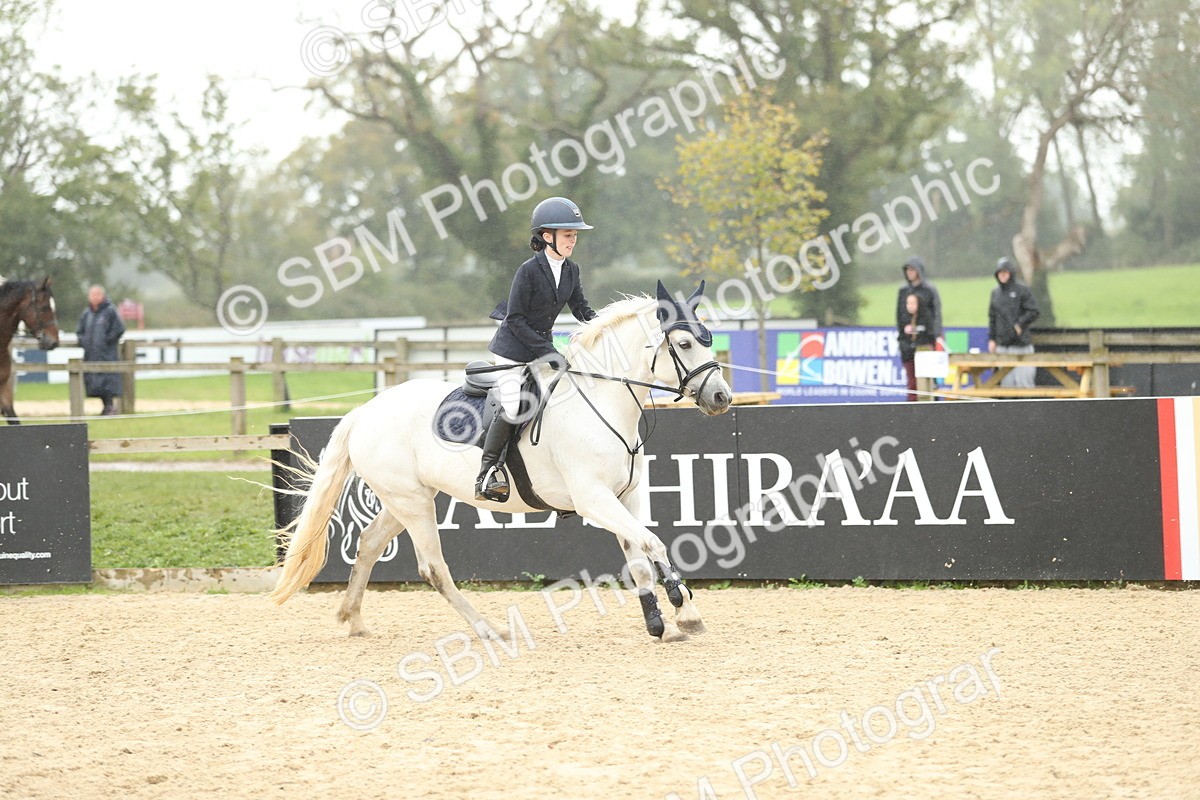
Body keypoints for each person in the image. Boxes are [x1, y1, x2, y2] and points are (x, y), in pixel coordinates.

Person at [476, 196, 598, 502]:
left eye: (574, 235)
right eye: (568, 235)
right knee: (516, 405)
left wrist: (607, 328)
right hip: (512, 350)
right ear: (547, 236)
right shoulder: (528, 271)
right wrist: (549, 351)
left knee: (561, 398)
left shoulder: (571, 270)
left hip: (539, 348)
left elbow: (582, 309)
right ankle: (487, 472)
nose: (573, 240)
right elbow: (515, 320)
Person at [988, 257, 1040, 388]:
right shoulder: (995, 293)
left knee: (1025, 384)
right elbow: (992, 317)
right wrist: (992, 339)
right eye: (1000, 273)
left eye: (1005, 272)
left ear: (1011, 273)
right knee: (1007, 385)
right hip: (1003, 345)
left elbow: (1033, 311)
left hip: (1021, 345)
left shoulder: (1022, 290)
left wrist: (1019, 324)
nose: (1002, 275)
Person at [896, 256, 942, 401]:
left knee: (929, 380)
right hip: (908, 343)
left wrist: (934, 335)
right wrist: (904, 336)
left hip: (925, 342)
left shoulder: (929, 290)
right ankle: (912, 412)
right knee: (912, 382)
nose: (909, 273)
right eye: (907, 270)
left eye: (912, 269)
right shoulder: (903, 291)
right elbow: (899, 316)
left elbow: (936, 314)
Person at [76, 285, 126, 415]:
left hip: (106, 354)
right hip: (91, 354)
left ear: (102, 296)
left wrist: (107, 341)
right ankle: (106, 407)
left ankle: (110, 407)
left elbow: (119, 328)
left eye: (97, 294)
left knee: (108, 381)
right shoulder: (86, 314)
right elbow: (79, 332)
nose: (94, 297)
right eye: (92, 294)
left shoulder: (110, 311)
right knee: (95, 383)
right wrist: (84, 342)